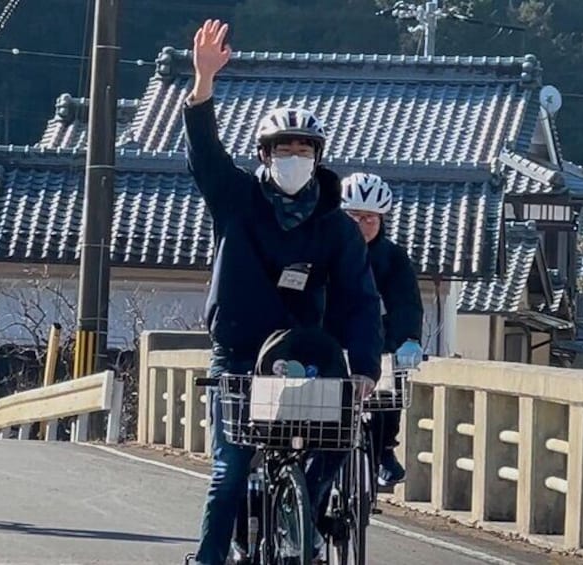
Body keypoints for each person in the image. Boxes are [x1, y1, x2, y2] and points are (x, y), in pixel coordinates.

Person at [183, 19, 383, 565]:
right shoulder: (238, 200)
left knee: (336, 442)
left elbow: (359, 300)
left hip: (308, 356)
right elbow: (205, 154)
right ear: (264, 155)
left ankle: (305, 519)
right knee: (229, 474)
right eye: (281, 148)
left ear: (318, 156)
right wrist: (204, 82)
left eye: (302, 147)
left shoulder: (336, 227)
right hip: (240, 358)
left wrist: (363, 366)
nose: (292, 156)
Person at [325, 172, 424, 486]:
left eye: (369, 218)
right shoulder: (323, 249)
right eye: (353, 216)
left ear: (381, 220)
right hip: (327, 336)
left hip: (374, 339)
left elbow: (406, 303)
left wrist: (409, 340)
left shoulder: (392, 258)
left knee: (390, 387)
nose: (361, 225)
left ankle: (383, 451)